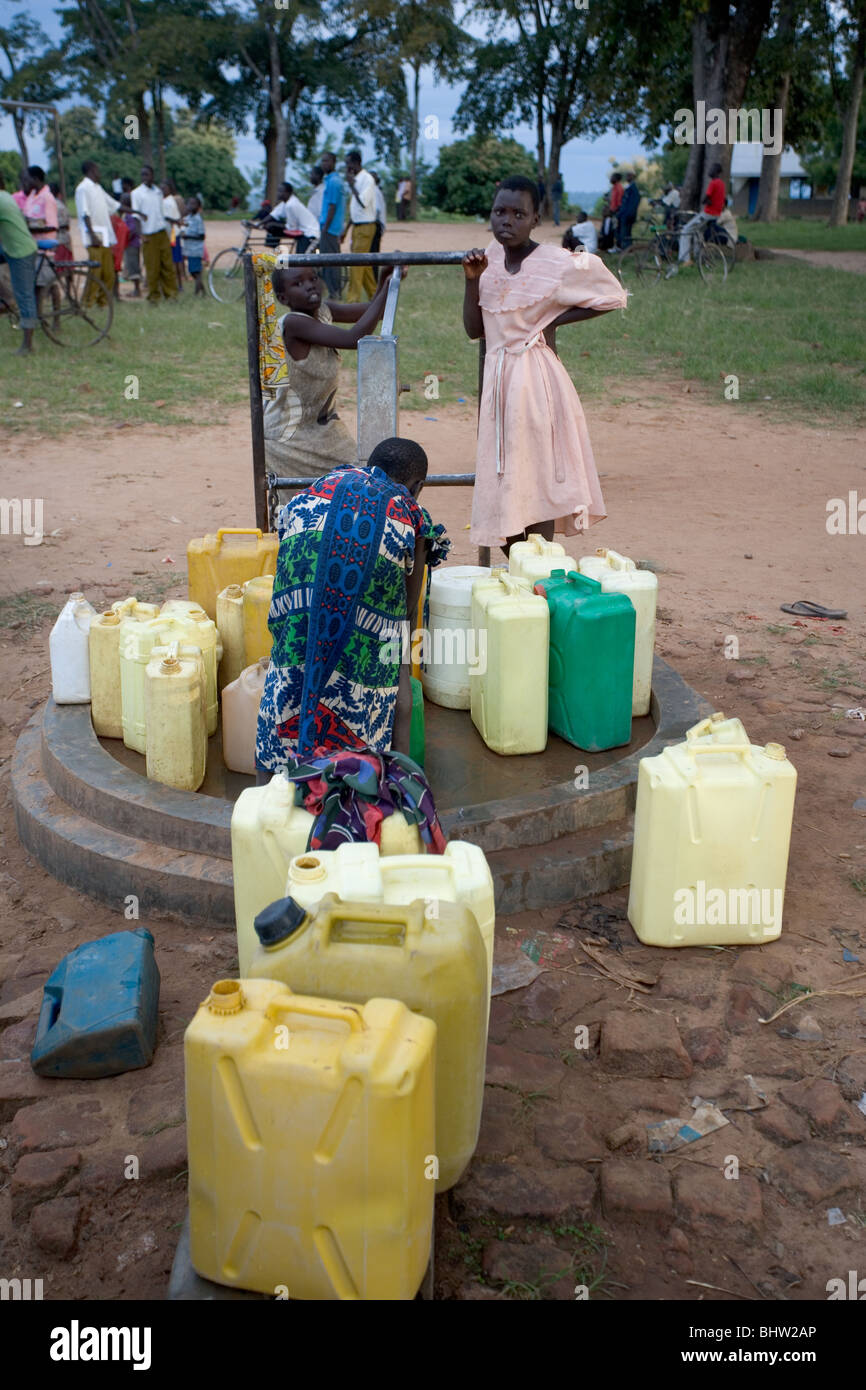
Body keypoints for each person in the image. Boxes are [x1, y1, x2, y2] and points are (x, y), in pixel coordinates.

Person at [255, 436, 450, 772]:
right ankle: (390, 783)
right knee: (390, 665)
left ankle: (273, 781)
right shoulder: (411, 516)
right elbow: (406, 609)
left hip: (295, 617)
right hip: (363, 640)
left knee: (289, 672)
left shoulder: (320, 486)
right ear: (417, 486)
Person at [462, 174, 627, 555]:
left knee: (536, 478)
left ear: (536, 218)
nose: (507, 220)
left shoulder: (555, 262)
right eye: (499, 211)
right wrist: (472, 281)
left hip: (537, 382)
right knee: (507, 480)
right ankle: (522, 567)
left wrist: (550, 319)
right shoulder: (488, 259)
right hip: (499, 382)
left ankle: (537, 566)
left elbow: (610, 295)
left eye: (519, 213)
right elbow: (475, 330)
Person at [262, 257, 398, 478]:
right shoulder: (294, 324)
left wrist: (385, 281)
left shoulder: (324, 310)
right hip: (290, 436)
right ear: (283, 297)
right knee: (314, 499)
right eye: (298, 283)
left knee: (361, 479)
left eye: (313, 278)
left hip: (321, 426)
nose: (309, 285)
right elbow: (354, 338)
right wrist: (387, 287)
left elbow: (375, 312)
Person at [0, 171, 39, 354]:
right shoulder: (6, 195)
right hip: (12, 247)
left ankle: (27, 345)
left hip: (20, 251)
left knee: (25, 295)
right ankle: (6, 299)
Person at [74, 160, 119, 303]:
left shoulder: (98, 188)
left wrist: (137, 211)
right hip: (93, 238)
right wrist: (92, 235)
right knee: (95, 272)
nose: (100, 173)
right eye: (97, 170)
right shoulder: (83, 188)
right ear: (92, 170)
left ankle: (103, 303)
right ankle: (88, 303)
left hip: (105, 237)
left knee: (109, 274)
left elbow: (114, 205)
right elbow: (84, 213)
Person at [670, 161, 726, 274]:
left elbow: (706, 198)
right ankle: (698, 256)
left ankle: (686, 260)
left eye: (711, 169)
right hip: (716, 214)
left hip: (708, 213)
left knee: (685, 230)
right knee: (697, 233)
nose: (709, 171)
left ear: (715, 171)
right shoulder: (722, 184)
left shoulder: (713, 183)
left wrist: (705, 201)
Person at [131, 165, 176, 302]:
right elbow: (136, 216)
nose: (145, 177)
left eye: (147, 174)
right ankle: (154, 296)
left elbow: (161, 214)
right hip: (148, 234)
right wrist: (141, 234)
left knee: (167, 265)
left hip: (161, 232)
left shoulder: (158, 191)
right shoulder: (137, 193)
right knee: (152, 267)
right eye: (142, 175)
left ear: (152, 175)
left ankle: (171, 295)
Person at [341, 149, 378, 301]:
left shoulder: (367, 179)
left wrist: (352, 185)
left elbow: (362, 202)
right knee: (364, 264)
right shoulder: (356, 179)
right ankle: (376, 296)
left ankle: (352, 299)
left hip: (366, 226)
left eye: (349, 164)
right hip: (357, 226)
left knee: (356, 263)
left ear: (357, 163)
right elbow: (354, 209)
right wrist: (346, 229)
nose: (347, 168)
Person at [318, 151, 343, 297]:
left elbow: (332, 206)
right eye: (322, 161)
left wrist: (325, 228)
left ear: (333, 162)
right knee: (329, 259)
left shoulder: (334, 182)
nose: (324, 164)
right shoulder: (330, 180)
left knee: (330, 261)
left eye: (326, 161)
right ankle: (333, 291)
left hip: (330, 228)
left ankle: (335, 291)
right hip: (329, 227)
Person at [268, 182, 319, 252]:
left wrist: (274, 225)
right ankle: (275, 248)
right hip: (304, 233)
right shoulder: (287, 202)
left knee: (303, 259)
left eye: (280, 191)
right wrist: (260, 224)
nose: (278, 193)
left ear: (288, 193)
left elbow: (291, 227)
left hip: (310, 234)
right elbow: (274, 213)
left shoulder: (291, 205)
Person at [23, 167, 58, 247]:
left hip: (44, 246)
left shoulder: (47, 197)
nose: (25, 182)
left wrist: (31, 229)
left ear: (35, 179)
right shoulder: (31, 196)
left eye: (27, 179)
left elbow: (52, 227)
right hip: (31, 245)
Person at [161, 179, 185, 291]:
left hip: (172, 233)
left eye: (164, 188)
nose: (162, 190)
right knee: (176, 259)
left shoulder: (167, 202)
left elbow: (168, 217)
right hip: (174, 232)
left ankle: (177, 284)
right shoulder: (169, 200)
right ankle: (178, 284)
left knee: (174, 260)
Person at [181, 196, 206, 296]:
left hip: (196, 249)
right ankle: (203, 292)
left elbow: (201, 236)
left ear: (198, 206)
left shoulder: (198, 219)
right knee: (193, 271)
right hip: (189, 249)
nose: (191, 206)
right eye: (189, 203)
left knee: (195, 271)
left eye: (193, 204)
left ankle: (197, 292)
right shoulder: (188, 218)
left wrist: (188, 236)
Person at [120, 193, 143, 296]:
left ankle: (137, 290)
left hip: (132, 244)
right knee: (130, 265)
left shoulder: (129, 216)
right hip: (129, 244)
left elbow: (132, 229)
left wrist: (126, 239)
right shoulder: (126, 215)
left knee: (133, 267)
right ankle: (136, 289)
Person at [49, 182, 74, 264]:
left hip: (58, 240)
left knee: (58, 267)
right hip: (65, 239)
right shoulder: (61, 205)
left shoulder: (51, 205)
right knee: (67, 266)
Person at [617, 170, 640, 249]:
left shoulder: (633, 188)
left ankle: (626, 248)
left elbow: (633, 202)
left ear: (633, 177)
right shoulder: (629, 187)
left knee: (625, 232)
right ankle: (627, 247)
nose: (627, 177)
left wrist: (628, 214)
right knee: (626, 232)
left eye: (629, 175)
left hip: (628, 214)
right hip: (625, 214)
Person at [371, 171, 386, 254]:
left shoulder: (374, 191)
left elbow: (376, 210)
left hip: (375, 225)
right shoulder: (376, 190)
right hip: (377, 225)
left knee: (373, 252)